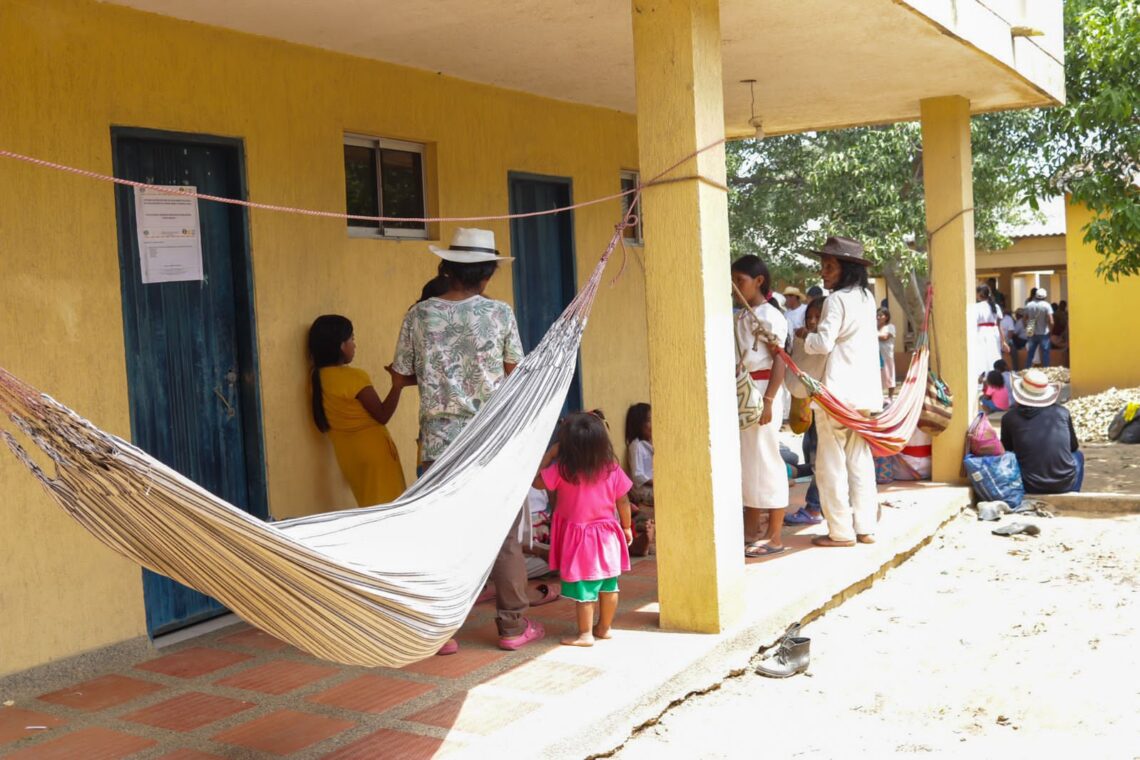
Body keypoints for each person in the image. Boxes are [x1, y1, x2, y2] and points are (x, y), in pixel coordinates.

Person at [391, 227, 543, 652]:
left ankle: (442, 633)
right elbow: (517, 371)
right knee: (504, 538)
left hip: (440, 445)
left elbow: (403, 373)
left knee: (441, 535)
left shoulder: (418, 315)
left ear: (446, 268)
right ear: (487, 274)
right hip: (491, 444)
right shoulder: (499, 314)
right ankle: (513, 628)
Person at [799, 236, 881, 547]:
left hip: (836, 394)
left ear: (845, 268)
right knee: (859, 460)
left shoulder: (836, 301)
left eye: (829, 267)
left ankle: (841, 532)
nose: (823, 273)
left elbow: (823, 344)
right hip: (863, 395)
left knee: (829, 464)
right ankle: (865, 528)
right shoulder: (867, 299)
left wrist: (807, 335)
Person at [537, 412, 633, 647]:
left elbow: (536, 481)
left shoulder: (562, 470)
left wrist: (550, 454)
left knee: (584, 587)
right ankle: (604, 628)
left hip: (580, 540)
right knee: (609, 585)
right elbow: (623, 501)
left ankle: (584, 634)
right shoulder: (611, 468)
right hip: (608, 535)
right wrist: (627, 527)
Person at [307, 315, 407, 507]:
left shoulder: (316, 378)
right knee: (388, 510)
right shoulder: (354, 377)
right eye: (352, 339)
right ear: (341, 346)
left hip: (349, 455)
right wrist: (398, 385)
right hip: (374, 454)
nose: (355, 345)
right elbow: (383, 414)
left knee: (369, 507)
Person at [732, 255, 790, 557]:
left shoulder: (768, 316)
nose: (734, 287)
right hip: (745, 391)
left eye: (739, 281)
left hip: (763, 391)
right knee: (749, 462)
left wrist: (769, 400)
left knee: (767, 460)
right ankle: (751, 530)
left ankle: (775, 535)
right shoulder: (742, 315)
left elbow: (780, 357)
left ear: (758, 281)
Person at [1000, 369, 1084, 493]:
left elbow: (1007, 449)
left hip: (1028, 485)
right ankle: (1073, 492)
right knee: (1078, 456)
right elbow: (1073, 447)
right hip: (1064, 484)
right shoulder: (1062, 412)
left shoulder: (1009, 418)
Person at [785, 296, 827, 526]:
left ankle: (814, 507)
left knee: (818, 458)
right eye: (809, 317)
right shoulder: (806, 341)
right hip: (809, 408)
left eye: (817, 317)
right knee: (811, 454)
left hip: (824, 408)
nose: (812, 321)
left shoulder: (826, 344)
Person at [974, 284, 1007, 383]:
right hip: (994, 332)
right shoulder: (996, 306)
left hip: (981, 332)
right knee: (994, 354)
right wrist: (1003, 341)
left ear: (979, 294)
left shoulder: (977, 307)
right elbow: (999, 325)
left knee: (982, 355)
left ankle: (984, 378)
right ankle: (994, 377)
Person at [1023, 288, 1054, 368]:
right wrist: (1051, 331)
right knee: (1045, 353)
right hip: (1043, 331)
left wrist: (1027, 328)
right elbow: (1051, 321)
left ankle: (1027, 370)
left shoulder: (1029, 305)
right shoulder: (1047, 305)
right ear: (1045, 296)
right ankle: (1046, 370)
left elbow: (1024, 319)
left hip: (1031, 330)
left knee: (1030, 353)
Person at [877, 307, 897, 397]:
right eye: (877, 315)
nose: (878, 317)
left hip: (887, 355)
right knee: (878, 375)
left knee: (889, 375)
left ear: (886, 317)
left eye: (881, 315)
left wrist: (873, 334)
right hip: (877, 355)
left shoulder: (890, 327)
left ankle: (890, 397)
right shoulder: (874, 327)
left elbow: (885, 337)